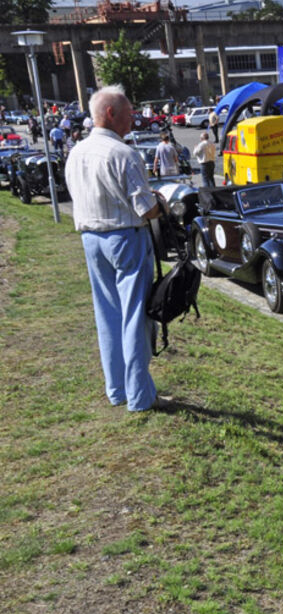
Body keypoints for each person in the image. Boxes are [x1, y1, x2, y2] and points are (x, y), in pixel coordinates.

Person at [64, 85, 164, 412]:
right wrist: (160, 204)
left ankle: (117, 389)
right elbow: (145, 208)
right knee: (134, 316)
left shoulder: (76, 152)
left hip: (91, 238)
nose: (134, 117)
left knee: (107, 315)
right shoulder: (124, 153)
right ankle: (139, 396)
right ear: (111, 113)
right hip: (125, 237)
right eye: (130, 111)